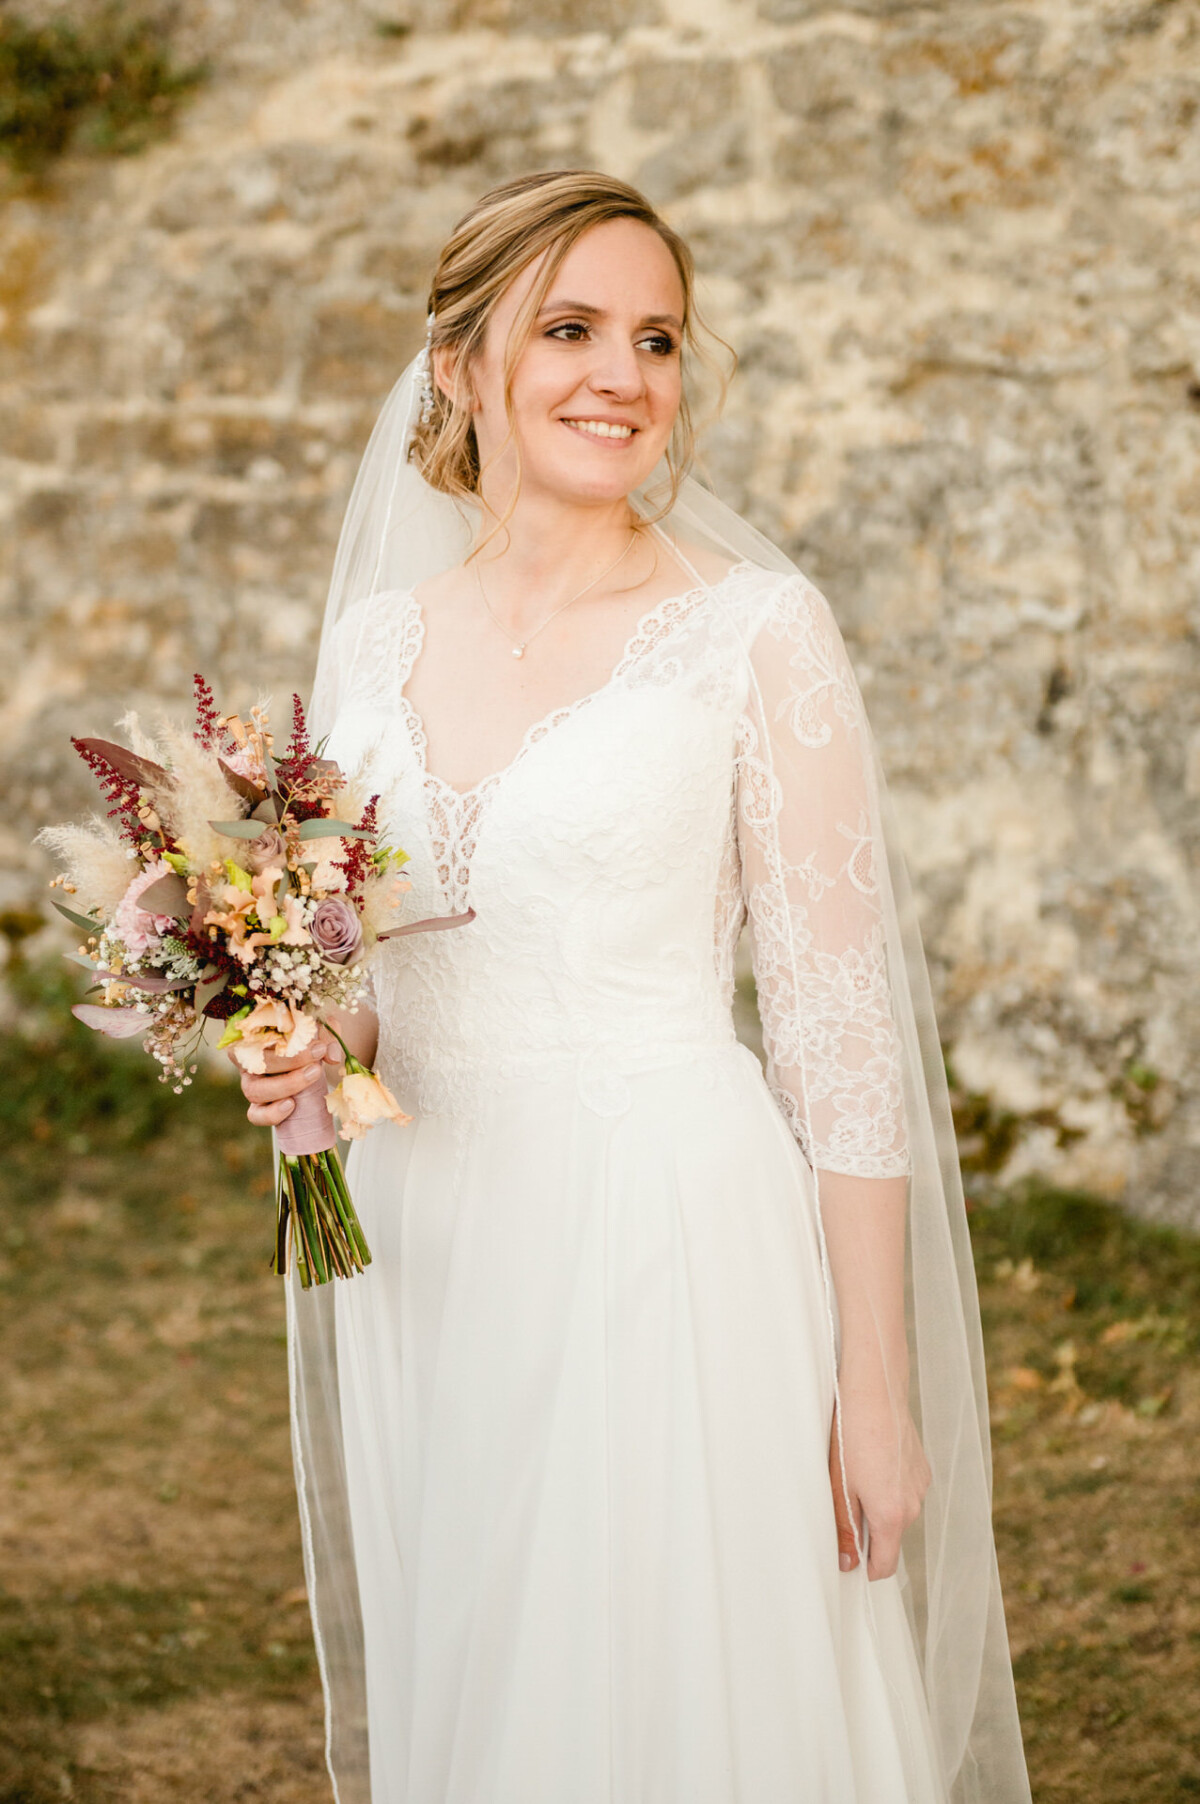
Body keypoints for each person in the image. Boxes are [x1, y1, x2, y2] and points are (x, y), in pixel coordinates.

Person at [234, 171, 1031, 1804]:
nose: (624, 376)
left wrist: (870, 1393)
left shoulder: (755, 635)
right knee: (496, 1690)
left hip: (664, 1240)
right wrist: (317, 1055)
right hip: (437, 1245)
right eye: (571, 329)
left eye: (656, 338)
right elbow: (377, 978)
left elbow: (840, 1041)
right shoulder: (376, 645)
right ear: (461, 367)